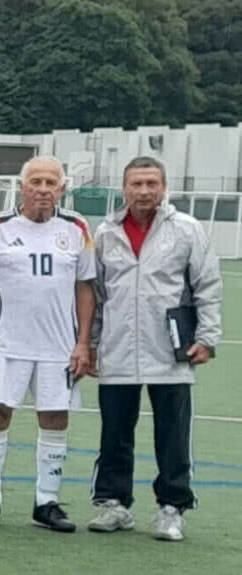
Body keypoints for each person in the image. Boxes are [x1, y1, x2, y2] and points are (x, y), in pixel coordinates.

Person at [87, 156, 222, 541]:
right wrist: (91, 343)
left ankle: (171, 508)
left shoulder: (186, 229)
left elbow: (207, 286)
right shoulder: (105, 233)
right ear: (124, 188)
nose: (144, 191)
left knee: (173, 434)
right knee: (114, 432)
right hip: (117, 349)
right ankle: (113, 504)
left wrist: (207, 338)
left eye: (151, 183)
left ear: (164, 187)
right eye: (136, 184)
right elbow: (96, 294)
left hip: (170, 350)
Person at [0, 156, 95, 533]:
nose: (42, 189)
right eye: (35, 181)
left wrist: (83, 343)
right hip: (5, 344)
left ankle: (47, 501)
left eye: (50, 182)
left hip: (58, 347)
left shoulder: (77, 229)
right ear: (22, 187)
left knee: (55, 418)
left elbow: (85, 287)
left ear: (62, 189)